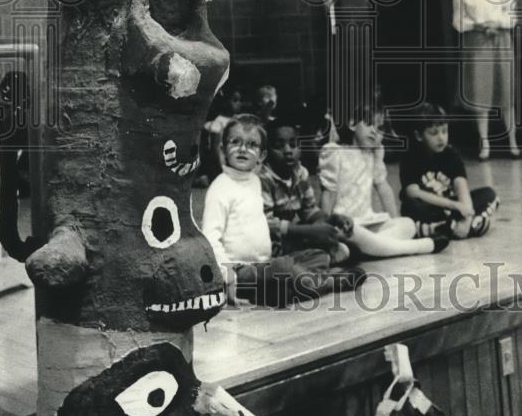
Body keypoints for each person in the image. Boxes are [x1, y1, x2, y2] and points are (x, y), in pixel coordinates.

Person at [202, 113, 364, 308]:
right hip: (237, 270)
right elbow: (209, 239)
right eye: (235, 142)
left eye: (252, 144)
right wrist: (227, 276)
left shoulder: (253, 181)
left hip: (265, 263)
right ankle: (327, 283)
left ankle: (283, 290)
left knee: (315, 256)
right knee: (284, 268)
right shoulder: (220, 188)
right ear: (222, 150)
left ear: (261, 156)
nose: (243, 149)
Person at [318, 104, 450, 257]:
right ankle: (418, 246)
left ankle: (365, 248)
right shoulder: (335, 152)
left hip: (368, 222)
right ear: (353, 124)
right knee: (353, 234)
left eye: (380, 128)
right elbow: (328, 194)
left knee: (408, 225)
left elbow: (383, 188)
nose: (375, 132)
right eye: (369, 124)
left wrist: (395, 220)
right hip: (345, 225)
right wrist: (324, 230)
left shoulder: (375, 152)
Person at [452, 0, 519, 160]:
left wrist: (496, 23)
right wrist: (479, 26)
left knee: (506, 93)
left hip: (500, 40)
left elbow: (512, 16)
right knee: (481, 94)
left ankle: (513, 142)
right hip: (477, 42)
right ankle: (485, 144)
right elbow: (457, 19)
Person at [399, 102, 499, 239]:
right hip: (432, 209)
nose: (441, 138)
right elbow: (413, 192)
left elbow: (461, 186)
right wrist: (454, 205)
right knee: (409, 206)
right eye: (433, 133)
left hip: (451, 210)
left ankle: (447, 228)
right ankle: (463, 226)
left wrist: (466, 217)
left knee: (489, 194)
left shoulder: (451, 155)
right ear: (419, 135)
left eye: (444, 131)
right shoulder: (410, 158)